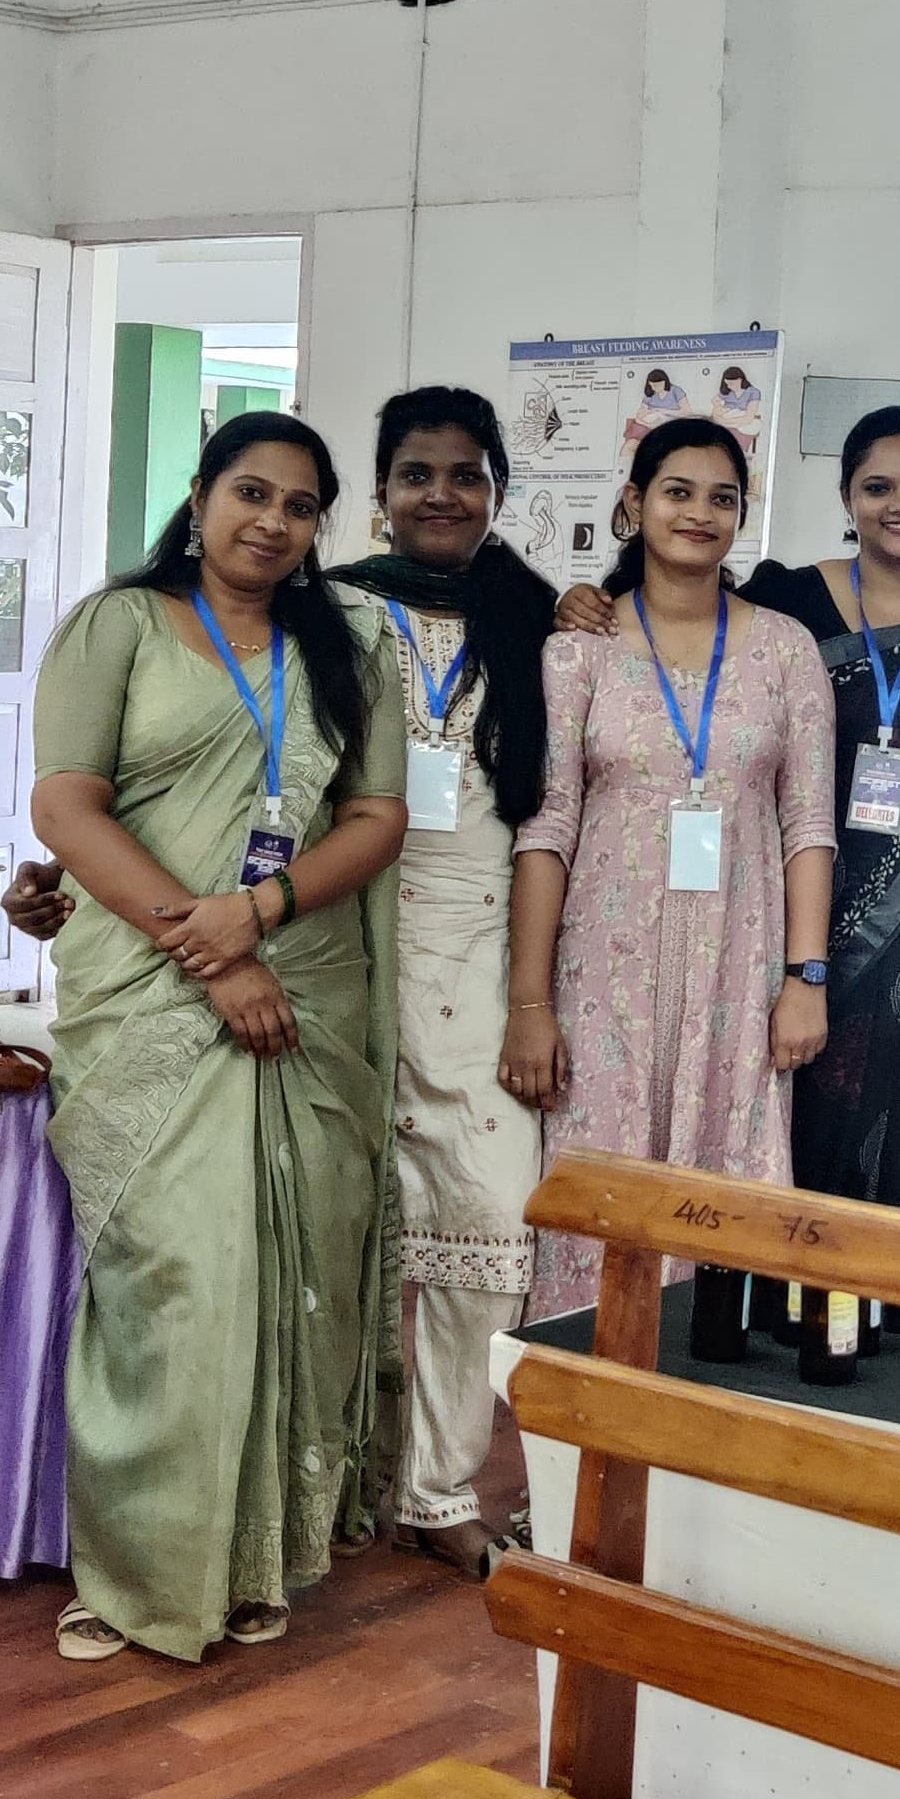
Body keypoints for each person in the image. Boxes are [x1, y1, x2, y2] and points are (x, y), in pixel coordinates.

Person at [26, 411, 407, 1662]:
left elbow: (378, 814)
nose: (272, 522)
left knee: (299, 1275)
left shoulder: (352, 644)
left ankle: (263, 1561)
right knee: (181, 1277)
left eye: (301, 507)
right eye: (251, 492)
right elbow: (66, 803)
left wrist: (265, 914)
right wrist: (207, 942)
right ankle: (146, 1573)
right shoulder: (119, 626)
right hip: (151, 986)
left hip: (308, 990)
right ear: (198, 496)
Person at [558, 404, 900, 1236]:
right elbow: (675, 621)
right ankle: (804, 1338)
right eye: (877, 487)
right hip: (790, 934)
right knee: (807, 1143)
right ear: (847, 497)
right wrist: (584, 598)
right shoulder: (786, 601)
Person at [501, 419, 836, 1318]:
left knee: (726, 1190)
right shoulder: (579, 649)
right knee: (599, 1193)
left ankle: (711, 1417)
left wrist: (806, 977)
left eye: (722, 497)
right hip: (604, 973)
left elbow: (809, 824)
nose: (699, 513)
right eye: (677, 491)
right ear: (633, 504)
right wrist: (529, 1005)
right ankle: (583, 1418)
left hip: (740, 969)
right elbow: (546, 829)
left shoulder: (785, 649)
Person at [331, 389, 560, 1574]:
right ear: (379, 491)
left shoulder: (539, 621)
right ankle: (334, 1481)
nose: (438, 494)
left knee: (485, 1222)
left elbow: (547, 826)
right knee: (341, 1239)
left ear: (496, 494)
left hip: (480, 957)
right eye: (415, 472)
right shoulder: (328, 609)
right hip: (343, 948)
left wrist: (534, 997)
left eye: (464, 475)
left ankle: (437, 1489)